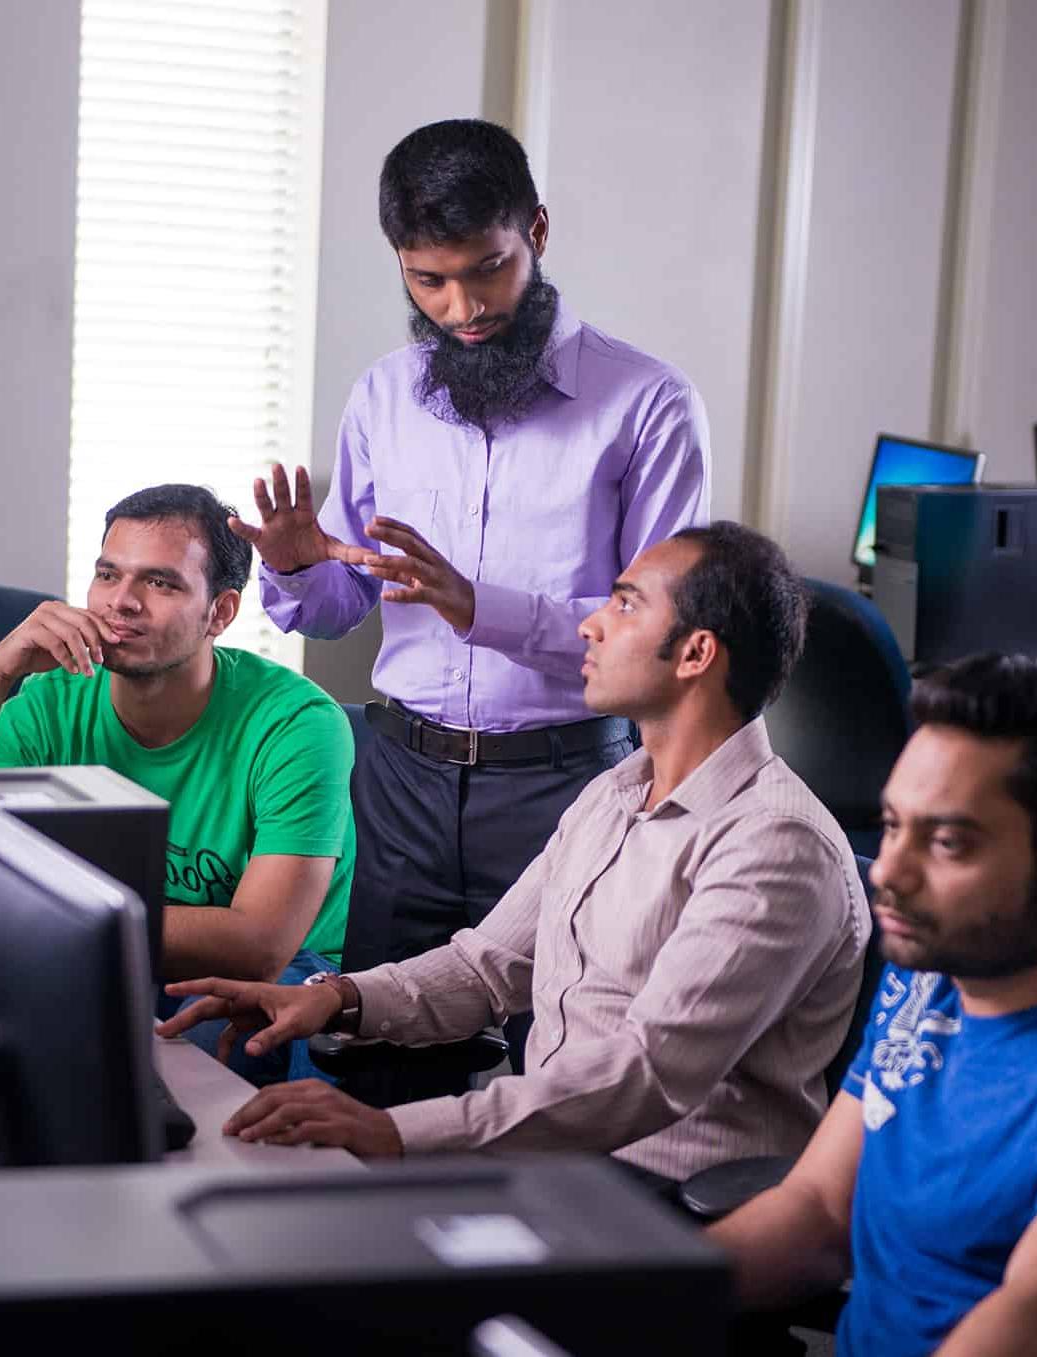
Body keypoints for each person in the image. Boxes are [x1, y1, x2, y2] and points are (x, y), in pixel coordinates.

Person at [158, 522, 870, 1187]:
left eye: (623, 606)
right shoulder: (615, 793)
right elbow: (485, 966)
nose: (589, 624)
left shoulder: (774, 846)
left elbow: (647, 1073)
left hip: (667, 1202)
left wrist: (392, 1131)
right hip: (562, 1172)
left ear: (694, 653)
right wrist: (330, 999)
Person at [232, 119, 710, 1091]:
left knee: (570, 1083)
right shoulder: (381, 399)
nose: (462, 307)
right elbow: (335, 608)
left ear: (535, 230)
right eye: (427, 280)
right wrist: (291, 570)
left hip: (569, 786)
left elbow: (657, 639)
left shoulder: (647, 405)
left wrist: (475, 605)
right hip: (401, 781)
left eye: (486, 269)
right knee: (378, 1073)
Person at [710, 655, 1037, 1356]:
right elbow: (818, 1211)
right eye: (891, 825)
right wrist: (618, 1302)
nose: (887, 870)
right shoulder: (931, 976)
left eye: (946, 842)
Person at [0, 484, 356, 1085]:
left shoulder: (298, 724)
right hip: (94, 954)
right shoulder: (47, 699)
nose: (122, 602)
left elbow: (259, 943)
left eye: (160, 583)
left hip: (274, 978)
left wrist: (55, 924)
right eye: (108, 575)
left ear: (220, 612)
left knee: (220, 1046)